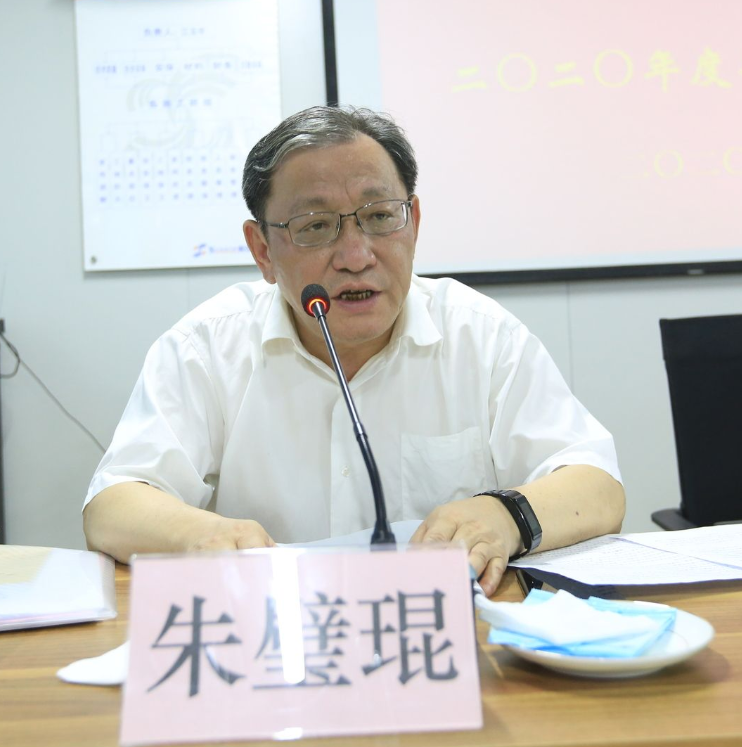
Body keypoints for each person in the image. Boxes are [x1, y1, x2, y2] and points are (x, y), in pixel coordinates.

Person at [83, 106, 625, 596]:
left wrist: (506, 516)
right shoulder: (205, 347)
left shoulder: (481, 335)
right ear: (262, 250)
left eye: (380, 216)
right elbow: (113, 504)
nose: (356, 255)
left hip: (448, 634)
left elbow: (597, 485)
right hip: (274, 632)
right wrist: (202, 534)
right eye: (316, 227)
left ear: (413, 222)